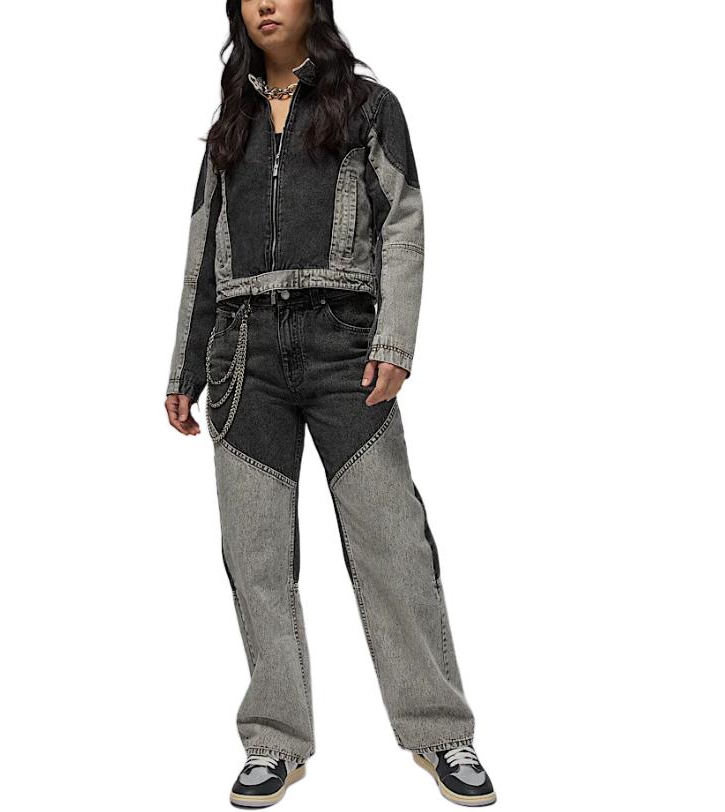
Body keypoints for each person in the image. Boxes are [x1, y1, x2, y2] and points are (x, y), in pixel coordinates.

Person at [163, 1, 496, 807]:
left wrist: (394, 340)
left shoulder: (370, 107)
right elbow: (203, 249)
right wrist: (184, 366)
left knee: (393, 544)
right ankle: (274, 742)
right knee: (255, 558)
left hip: (345, 347)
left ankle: (440, 730)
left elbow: (403, 223)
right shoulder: (229, 125)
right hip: (243, 356)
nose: (264, 4)